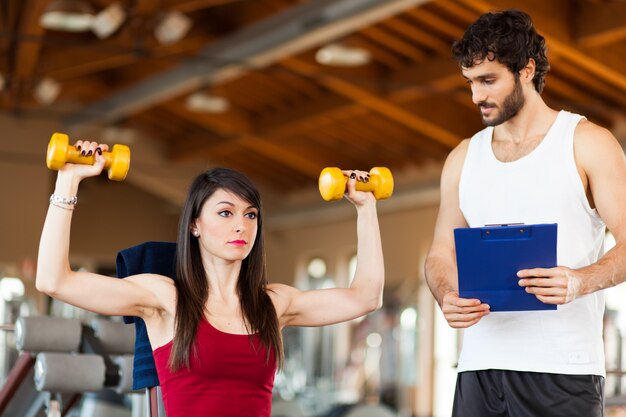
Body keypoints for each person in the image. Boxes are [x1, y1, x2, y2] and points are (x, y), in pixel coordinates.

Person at [36, 142, 385, 417]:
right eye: (225, 212)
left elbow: (365, 297)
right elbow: (54, 280)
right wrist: (69, 179)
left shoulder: (273, 305)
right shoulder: (165, 299)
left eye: (251, 215)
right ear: (194, 225)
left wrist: (366, 208)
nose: (241, 225)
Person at [424, 9, 626, 417]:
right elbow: (440, 254)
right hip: (479, 369)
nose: (477, 96)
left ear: (527, 70)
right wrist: (447, 293)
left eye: (488, 80)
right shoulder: (463, 157)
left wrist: (578, 281)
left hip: (563, 372)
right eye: (470, 83)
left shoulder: (587, 142)